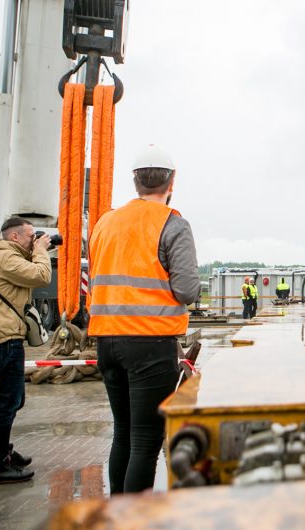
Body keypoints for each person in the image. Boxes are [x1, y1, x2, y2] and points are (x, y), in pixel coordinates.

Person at [87, 145, 201, 494]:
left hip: (106, 341)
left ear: (135, 181)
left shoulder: (105, 221)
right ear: (172, 182)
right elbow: (186, 290)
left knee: (123, 433)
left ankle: (117, 511)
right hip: (150, 343)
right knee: (146, 441)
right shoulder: (173, 224)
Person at [0, 216, 52, 485]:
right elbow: (41, 276)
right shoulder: (3, 258)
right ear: (15, 237)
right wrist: (41, 252)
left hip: (6, 336)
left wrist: (37, 250)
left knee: (13, 399)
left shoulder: (6, 256)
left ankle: (2, 453)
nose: (35, 240)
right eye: (31, 236)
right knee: (6, 402)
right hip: (3, 337)